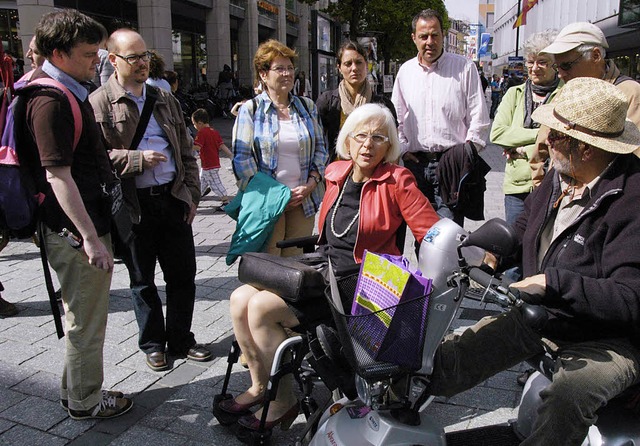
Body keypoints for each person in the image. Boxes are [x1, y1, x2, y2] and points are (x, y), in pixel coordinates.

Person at [428, 77, 640, 445]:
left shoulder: (631, 198)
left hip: (609, 340)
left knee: (569, 394)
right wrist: (495, 252)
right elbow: (525, 223)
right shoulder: (563, 175)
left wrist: (553, 283)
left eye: (556, 134)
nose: (545, 141)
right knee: (453, 357)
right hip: (549, 316)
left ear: (587, 148)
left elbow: (629, 297)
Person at [223, 103, 439, 435]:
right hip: (321, 273)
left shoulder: (398, 180)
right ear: (348, 140)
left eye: (379, 137)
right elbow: (327, 237)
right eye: (361, 136)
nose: (368, 145)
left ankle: (282, 401)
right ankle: (259, 385)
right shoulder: (335, 173)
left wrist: (458, 251)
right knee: (239, 299)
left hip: (358, 289)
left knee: (260, 309)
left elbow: (431, 230)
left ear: (390, 145)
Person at [25, 10, 132, 419]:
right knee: (87, 322)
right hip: (73, 232)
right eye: (89, 54)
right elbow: (58, 176)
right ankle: (87, 401)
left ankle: (75, 392)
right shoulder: (49, 99)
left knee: (81, 316)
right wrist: (89, 237)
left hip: (73, 228)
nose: (96, 61)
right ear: (59, 52)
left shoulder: (56, 89)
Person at [90, 29, 210, 372]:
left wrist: (192, 194)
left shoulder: (163, 97)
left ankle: (181, 339)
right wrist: (136, 159)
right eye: (134, 57)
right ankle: (153, 343)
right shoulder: (99, 102)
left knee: (183, 275)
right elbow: (97, 160)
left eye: (145, 56)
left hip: (172, 200)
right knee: (142, 280)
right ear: (113, 59)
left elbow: (186, 150)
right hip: (134, 206)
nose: (143, 63)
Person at [391, 9, 490, 226]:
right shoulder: (405, 72)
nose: (429, 41)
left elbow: (479, 116)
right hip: (415, 167)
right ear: (414, 38)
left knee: (448, 235)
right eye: (423, 36)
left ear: (443, 35)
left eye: (435, 35)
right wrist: (403, 149)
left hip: (451, 166)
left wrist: (467, 153)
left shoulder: (464, 68)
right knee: (421, 234)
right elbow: (396, 118)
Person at [232, 39, 328, 257]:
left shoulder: (307, 106)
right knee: (269, 266)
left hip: (303, 201)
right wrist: (276, 197)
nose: (287, 74)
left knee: (295, 267)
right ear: (264, 75)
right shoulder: (251, 110)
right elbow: (242, 161)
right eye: (279, 68)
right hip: (267, 205)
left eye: (290, 68)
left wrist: (312, 183)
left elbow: (321, 149)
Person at [529, 22, 640, 186]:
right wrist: (542, 193)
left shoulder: (630, 92)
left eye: (566, 65)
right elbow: (541, 146)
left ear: (596, 56)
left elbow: (633, 157)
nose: (560, 74)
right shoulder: (567, 90)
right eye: (557, 66)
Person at [490, 30, 562, 226]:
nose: (534, 68)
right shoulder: (515, 94)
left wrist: (521, 148)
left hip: (554, 184)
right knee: (514, 246)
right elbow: (497, 133)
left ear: (555, 64)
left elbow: (564, 136)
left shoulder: (564, 94)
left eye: (542, 62)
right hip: (517, 186)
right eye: (531, 62)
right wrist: (542, 134)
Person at [316, 40, 396, 162]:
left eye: (359, 62)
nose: (354, 68)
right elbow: (317, 141)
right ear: (339, 68)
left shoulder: (383, 105)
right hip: (337, 172)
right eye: (348, 64)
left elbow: (392, 143)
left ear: (366, 65)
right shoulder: (327, 102)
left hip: (375, 173)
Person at [191, 108, 233, 204]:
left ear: (200, 123)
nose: (194, 126)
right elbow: (222, 145)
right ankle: (196, 197)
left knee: (215, 183)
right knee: (202, 180)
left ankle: (225, 201)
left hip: (208, 164)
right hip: (213, 163)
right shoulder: (214, 132)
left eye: (194, 123)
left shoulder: (202, 133)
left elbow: (197, 147)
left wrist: (186, 147)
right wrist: (230, 155)